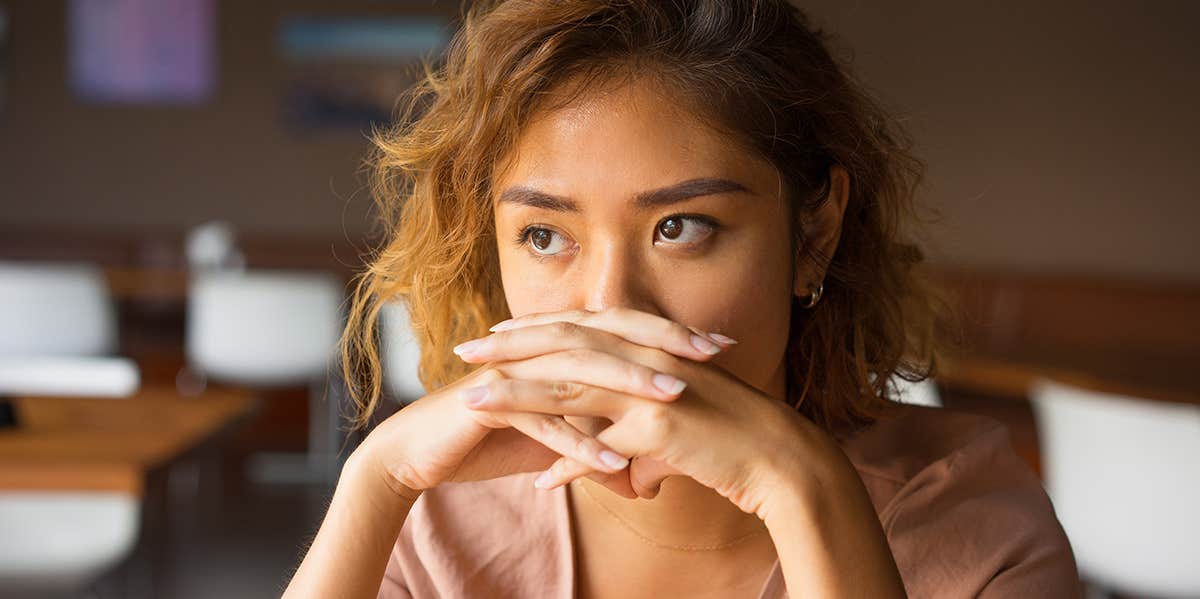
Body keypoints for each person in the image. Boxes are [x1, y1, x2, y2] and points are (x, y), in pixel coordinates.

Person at [283, 1, 1082, 597]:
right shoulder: (437, 519)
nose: (606, 305)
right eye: (544, 235)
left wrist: (806, 489)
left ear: (815, 235)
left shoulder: (980, 525)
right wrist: (376, 479)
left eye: (680, 227)